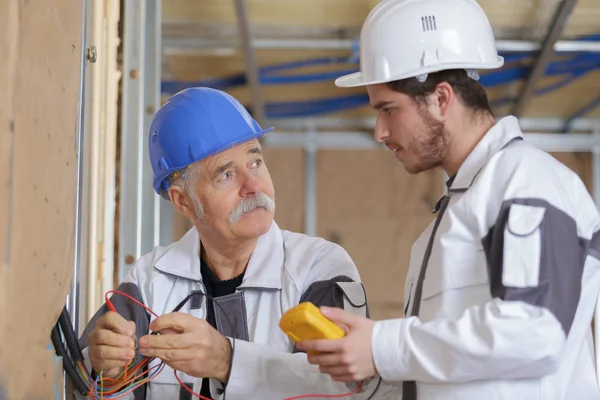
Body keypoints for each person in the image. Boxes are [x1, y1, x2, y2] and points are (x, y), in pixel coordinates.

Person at [297, 0, 600, 399]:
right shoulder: (450, 219)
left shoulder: (526, 180)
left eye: (388, 109)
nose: (379, 132)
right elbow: (446, 368)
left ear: (441, 98)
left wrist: (382, 346)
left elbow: (534, 330)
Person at [77, 87, 392, 399]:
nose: (253, 185)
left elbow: (350, 390)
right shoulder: (147, 284)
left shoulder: (318, 268)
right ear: (183, 201)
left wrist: (227, 361)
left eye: (255, 162)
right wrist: (111, 376)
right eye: (226, 174)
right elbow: (84, 386)